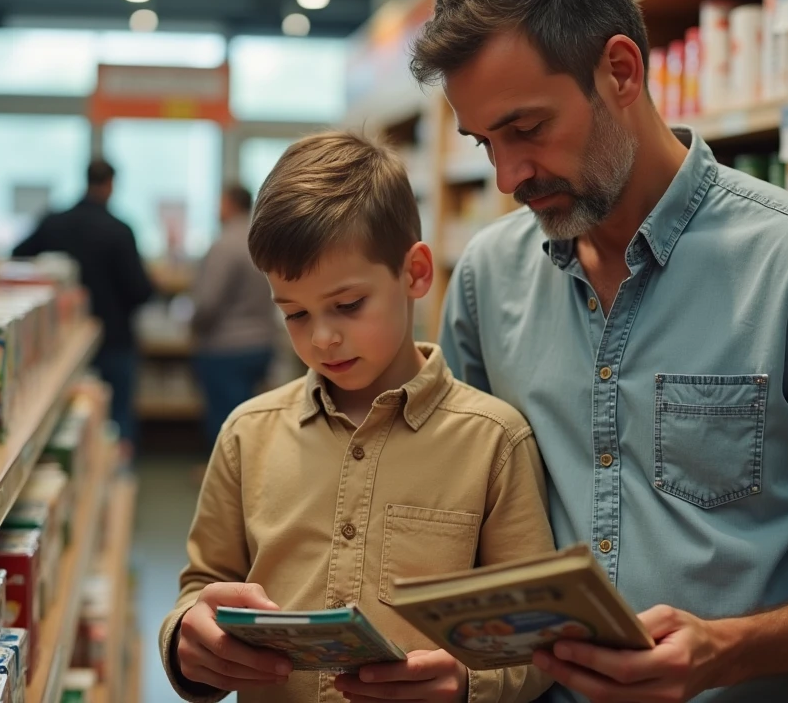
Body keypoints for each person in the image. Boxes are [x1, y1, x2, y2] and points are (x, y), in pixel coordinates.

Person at [409, 0, 788, 703]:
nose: (508, 176)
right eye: (483, 143)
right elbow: (467, 538)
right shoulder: (486, 281)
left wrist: (728, 652)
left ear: (621, 71)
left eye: (527, 130)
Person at [159, 133, 556, 703]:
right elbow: (201, 587)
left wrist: (469, 682)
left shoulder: (492, 441)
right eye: (294, 314)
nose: (322, 337)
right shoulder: (247, 434)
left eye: (348, 305)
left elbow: (536, 638)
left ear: (415, 273)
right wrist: (187, 640)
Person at [14, 158, 153, 451]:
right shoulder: (119, 230)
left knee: (67, 420)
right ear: (111, 185)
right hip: (114, 337)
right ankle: (117, 477)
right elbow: (139, 290)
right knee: (116, 415)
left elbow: (17, 256)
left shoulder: (54, 222)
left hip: (58, 340)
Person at [189, 183, 279, 448]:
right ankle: (249, 474)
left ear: (228, 204)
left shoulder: (225, 245)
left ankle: (229, 480)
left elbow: (208, 303)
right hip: (261, 342)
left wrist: (193, 328)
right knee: (252, 418)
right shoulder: (263, 242)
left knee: (226, 420)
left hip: (225, 347)